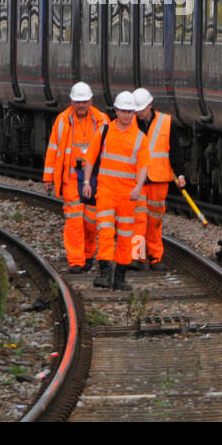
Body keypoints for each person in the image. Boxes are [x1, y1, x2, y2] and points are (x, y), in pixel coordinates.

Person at [43, 81, 108, 271]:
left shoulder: (101, 120)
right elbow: (53, 149)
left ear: (91, 101)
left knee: (91, 221)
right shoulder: (62, 121)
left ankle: (88, 255)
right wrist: (48, 177)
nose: (81, 105)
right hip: (71, 178)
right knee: (74, 220)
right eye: (78, 102)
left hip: (94, 177)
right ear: (71, 101)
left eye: (84, 102)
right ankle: (77, 261)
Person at [90, 91, 150, 291]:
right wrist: (85, 183)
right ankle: (105, 273)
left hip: (127, 195)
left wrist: (138, 188)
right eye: (123, 111)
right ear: (116, 111)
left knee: (125, 235)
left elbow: (143, 167)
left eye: (130, 112)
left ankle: (120, 276)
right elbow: (89, 158)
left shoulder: (140, 138)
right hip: (106, 191)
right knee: (106, 231)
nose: (126, 116)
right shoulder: (104, 131)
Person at [133, 87, 185, 272]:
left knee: (154, 221)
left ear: (150, 105)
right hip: (137, 181)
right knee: (138, 220)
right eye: (136, 109)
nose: (138, 112)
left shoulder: (166, 122)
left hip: (158, 180)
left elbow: (175, 151)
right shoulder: (129, 123)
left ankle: (155, 257)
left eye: (141, 109)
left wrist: (180, 174)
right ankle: (137, 257)